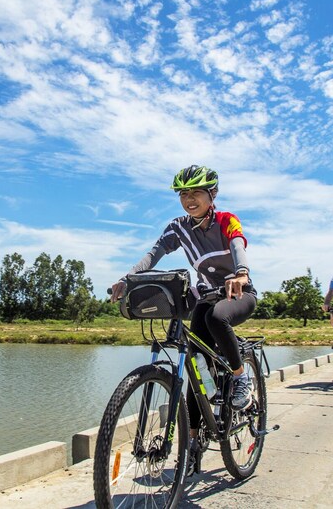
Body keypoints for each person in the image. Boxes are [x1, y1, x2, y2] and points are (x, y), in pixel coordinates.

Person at [110, 165, 257, 474]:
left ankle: (241, 376)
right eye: (184, 194)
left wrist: (241, 273)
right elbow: (154, 253)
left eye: (196, 193)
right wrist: (128, 278)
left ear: (211, 195)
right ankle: (191, 447)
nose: (190, 200)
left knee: (217, 318)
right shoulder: (178, 228)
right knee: (196, 367)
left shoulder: (225, 220)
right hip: (205, 296)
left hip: (237, 293)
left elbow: (237, 244)